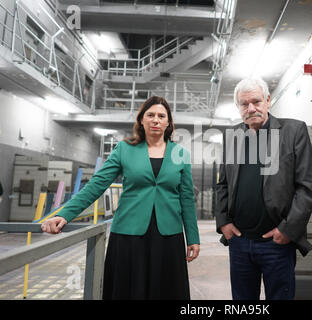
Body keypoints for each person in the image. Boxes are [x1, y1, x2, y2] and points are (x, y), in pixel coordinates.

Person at [41, 96, 200, 300]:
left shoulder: (181, 154)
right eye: (150, 115)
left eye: (161, 116)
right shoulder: (124, 149)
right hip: (129, 234)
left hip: (168, 236)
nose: (156, 120)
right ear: (141, 120)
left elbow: (186, 198)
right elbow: (97, 184)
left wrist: (193, 238)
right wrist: (64, 214)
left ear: (168, 122)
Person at [215, 78, 312, 300]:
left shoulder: (294, 131)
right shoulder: (233, 136)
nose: (251, 108)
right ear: (239, 108)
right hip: (239, 242)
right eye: (244, 104)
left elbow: (305, 189)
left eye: (256, 101)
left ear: (268, 100)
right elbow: (223, 184)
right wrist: (223, 222)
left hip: (277, 243)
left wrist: (287, 231)